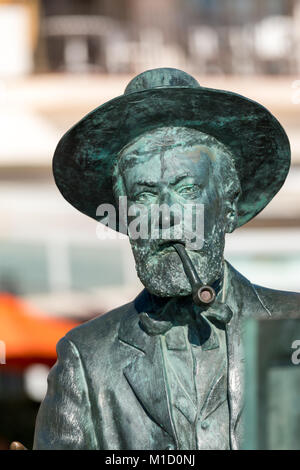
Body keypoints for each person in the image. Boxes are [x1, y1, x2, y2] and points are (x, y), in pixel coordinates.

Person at [33, 68, 300, 450]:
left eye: (187, 189)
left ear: (227, 207)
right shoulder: (86, 360)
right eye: (143, 196)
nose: (165, 216)